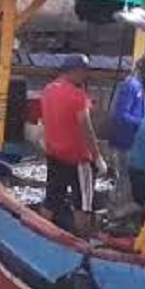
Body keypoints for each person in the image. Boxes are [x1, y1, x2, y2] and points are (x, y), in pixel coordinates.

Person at [41, 54, 105, 234]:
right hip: (79, 159)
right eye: (85, 72)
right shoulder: (78, 96)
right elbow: (88, 130)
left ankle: (40, 232)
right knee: (83, 205)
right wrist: (98, 158)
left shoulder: (48, 89)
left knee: (51, 199)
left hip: (54, 154)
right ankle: (83, 245)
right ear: (76, 71)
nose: (86, 76)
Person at [108, 54, 145, 209]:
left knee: (127, 182)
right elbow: (121, 115)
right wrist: (144, 123)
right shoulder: (130, 85)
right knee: (124, 183)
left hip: (131, 141)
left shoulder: (138, 85)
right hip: (124, 142)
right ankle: (116, 215)